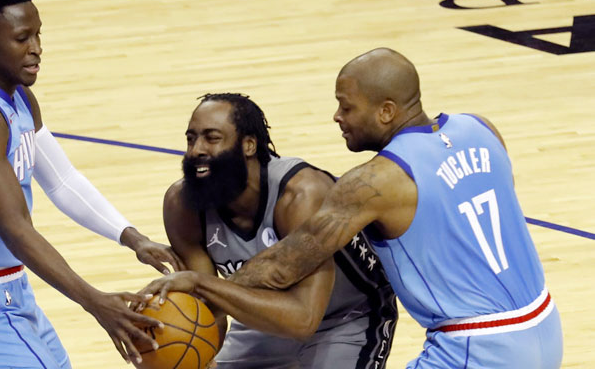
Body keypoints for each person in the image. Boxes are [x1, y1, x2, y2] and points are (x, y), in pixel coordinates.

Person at [223, 48, 564, 368]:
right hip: (544, 322)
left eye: (347, 106)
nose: (337, 117)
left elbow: (285, 265)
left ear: (386, 111)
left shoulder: (376, 181)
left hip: (477, 345)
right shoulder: (481, 128)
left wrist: (205, 289)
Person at [0, 0, 183, 368]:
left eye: (39, 35)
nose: (37, 49)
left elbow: (62, 181)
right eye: (23, 38)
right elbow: (14, 227)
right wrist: (94, 302)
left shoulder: (19, 97)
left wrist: (133, 239)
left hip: (10, 290)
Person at [140, 93, 397, 368]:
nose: (196, 150)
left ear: (248, 145)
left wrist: (199, 283)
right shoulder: (183, 206)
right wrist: (191, 355)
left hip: (346, 318)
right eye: (191, 139)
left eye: (211, 138)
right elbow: (211, 309)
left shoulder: (301, 194)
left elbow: (304, 320)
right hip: (261, 318)